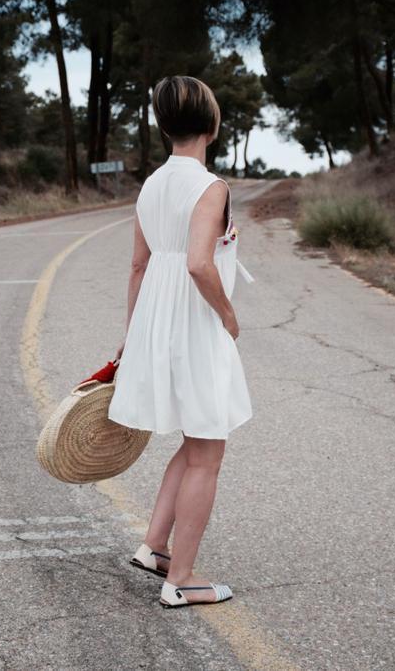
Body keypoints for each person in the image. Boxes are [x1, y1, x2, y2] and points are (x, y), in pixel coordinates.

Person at [108, 75, 254, 608]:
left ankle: (154, 547)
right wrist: (229, 316)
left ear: (164, 126)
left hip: (155, 323)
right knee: (208, 451)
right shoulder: (209, 186)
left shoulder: (151, 184)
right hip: (193, 326)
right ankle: (183, 580)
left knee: (194, 444)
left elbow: (138, 265)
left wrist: (130, 339)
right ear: (212, 125)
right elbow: (199, 263)